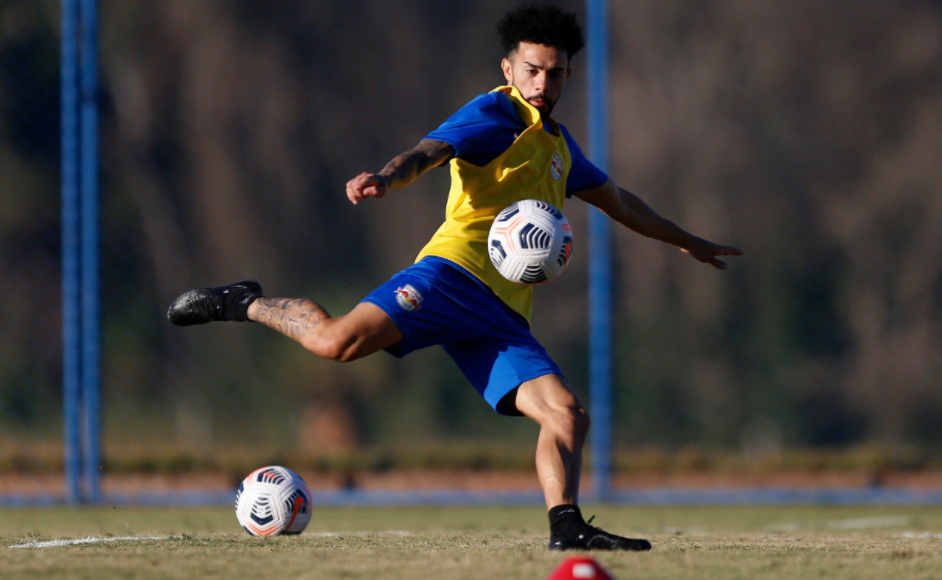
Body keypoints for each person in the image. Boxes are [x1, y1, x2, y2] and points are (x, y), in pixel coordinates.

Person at [168, 5, 742, 551]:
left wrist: (687, 240)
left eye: (556, 72)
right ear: (509, 68)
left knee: (567, 414)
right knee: (333, 344)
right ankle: (243, 302)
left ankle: (566, 528)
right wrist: (389, 179)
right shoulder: (494, 115)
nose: (543, 82)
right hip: (450, 277)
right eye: (533, 70)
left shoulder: (560, 147)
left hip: (503, 314)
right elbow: (429, 151)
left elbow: (620, 202)